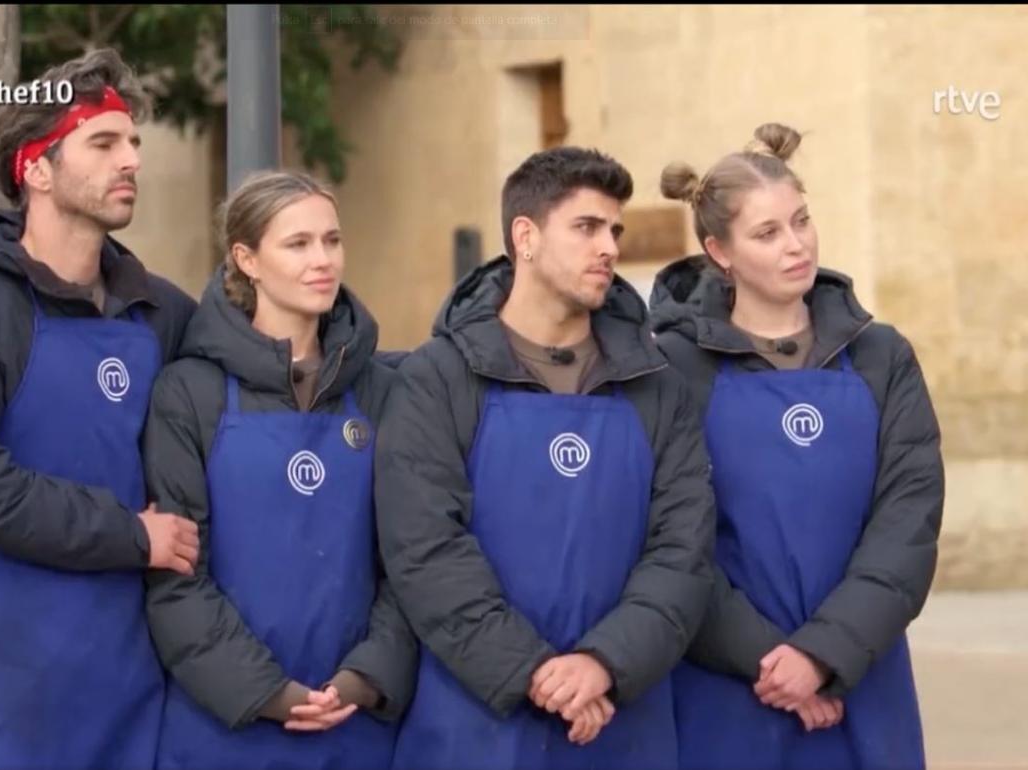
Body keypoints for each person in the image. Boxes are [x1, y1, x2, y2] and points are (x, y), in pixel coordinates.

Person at [0, 48, 200, 770]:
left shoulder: (160, 312)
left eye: (133, 143)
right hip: (10, 687)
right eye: (103, 143)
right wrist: (128, 535)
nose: (131, 161)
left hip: (133, 681)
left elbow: (267, 370)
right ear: (35, 168)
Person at [374, 146, 716, 770]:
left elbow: (683, 547)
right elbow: (425, 550)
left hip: (622, 718)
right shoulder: (440, 377)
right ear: (525, 237)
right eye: (586, 228)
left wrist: (605, 662)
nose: (609, 247)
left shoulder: (654, 382)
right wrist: (533, 672)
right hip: (476, 720)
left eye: (614, 230)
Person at [649, 122, 945, 770]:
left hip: (865, 679)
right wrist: (771, 661)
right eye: (767, 233)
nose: (796, 246)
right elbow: (671, 538)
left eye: (802, 221)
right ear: (718, 251)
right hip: (727, 694)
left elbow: (908, 522)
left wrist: (826, 653)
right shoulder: (673, 368)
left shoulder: (880, 356)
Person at [142, 170, 418, 769]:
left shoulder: (383, 392)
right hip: (225, 723)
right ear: (247, 259)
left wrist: (367, 677)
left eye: (332, 240)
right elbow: (177, 577)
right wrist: (267, 693)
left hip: (357, 724)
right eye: (298, 244)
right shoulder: (190, 393)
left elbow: (410, 559)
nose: (322, 260)